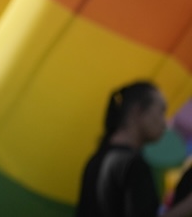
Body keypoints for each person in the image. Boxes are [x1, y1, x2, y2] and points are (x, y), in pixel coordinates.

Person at [75, 82, 192, 217]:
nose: (164, 122)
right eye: (161, 111)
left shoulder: (98, 159)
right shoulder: (132, 165)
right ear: (138, 111)